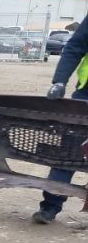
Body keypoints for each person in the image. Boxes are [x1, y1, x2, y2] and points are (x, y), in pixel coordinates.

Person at [33, 18, 88, 224]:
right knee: (70, 152)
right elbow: (75, 47)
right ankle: (50, 206)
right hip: (86, 96)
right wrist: (60, 81)